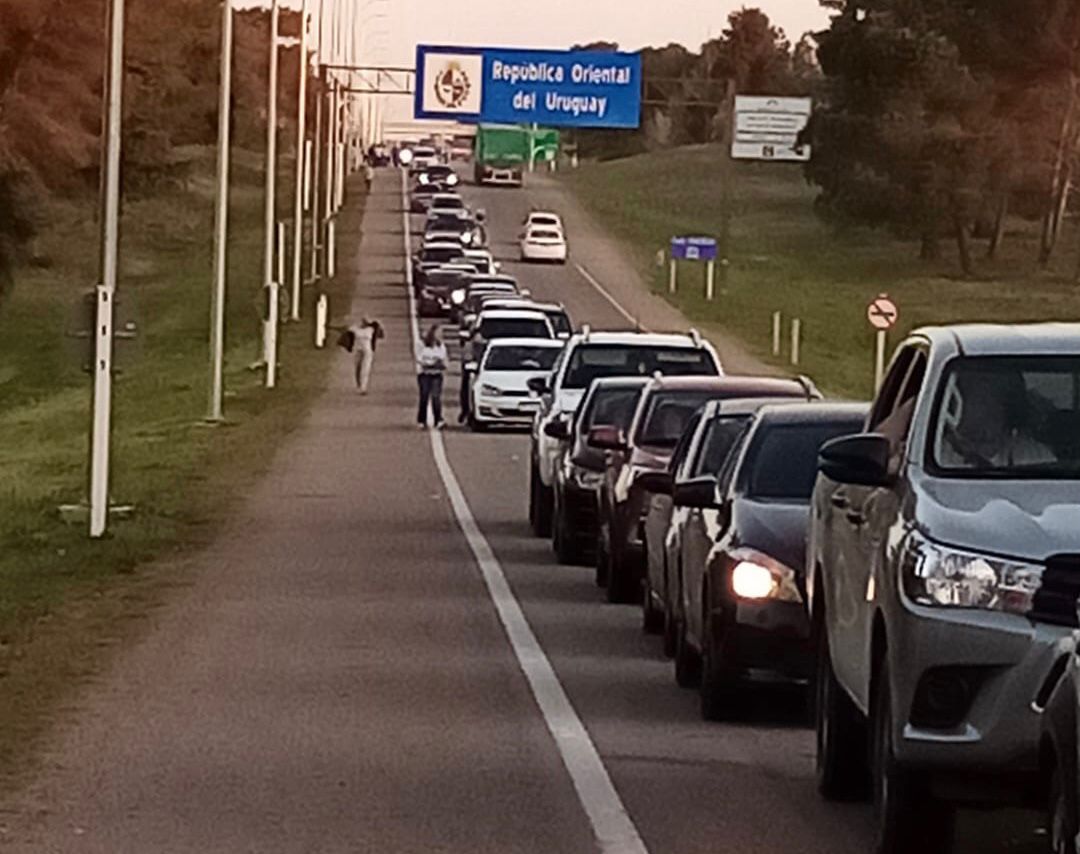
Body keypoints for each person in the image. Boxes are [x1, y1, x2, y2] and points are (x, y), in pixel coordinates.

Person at [416, 324, 448, 429]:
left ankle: (438, 419)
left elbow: (444, 359)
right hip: (424, 374)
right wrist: (430, 362)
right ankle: (421, 420)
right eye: (439, 332)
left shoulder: (441, 346)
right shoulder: (422, 344)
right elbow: (419, 358)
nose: (440, 335)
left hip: (436, 374)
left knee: (436, 397)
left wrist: (441, 364)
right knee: (424, 396)